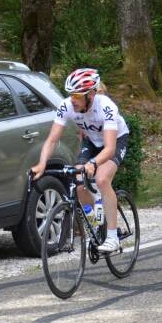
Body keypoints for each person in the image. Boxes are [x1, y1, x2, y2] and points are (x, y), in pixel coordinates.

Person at [30, 68, 130, 253]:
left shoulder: (106, 106)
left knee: (101, 179)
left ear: (90, 94)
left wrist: (93, 163)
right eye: (71, 94)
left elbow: (109, 149)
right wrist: (42, 164)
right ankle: (96, 223)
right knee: (78, 182)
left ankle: (112, 236)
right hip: (91, 141)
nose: (72, 99)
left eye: (77, 95)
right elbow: (52, 140)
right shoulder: (66, 106)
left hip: (114, 141)